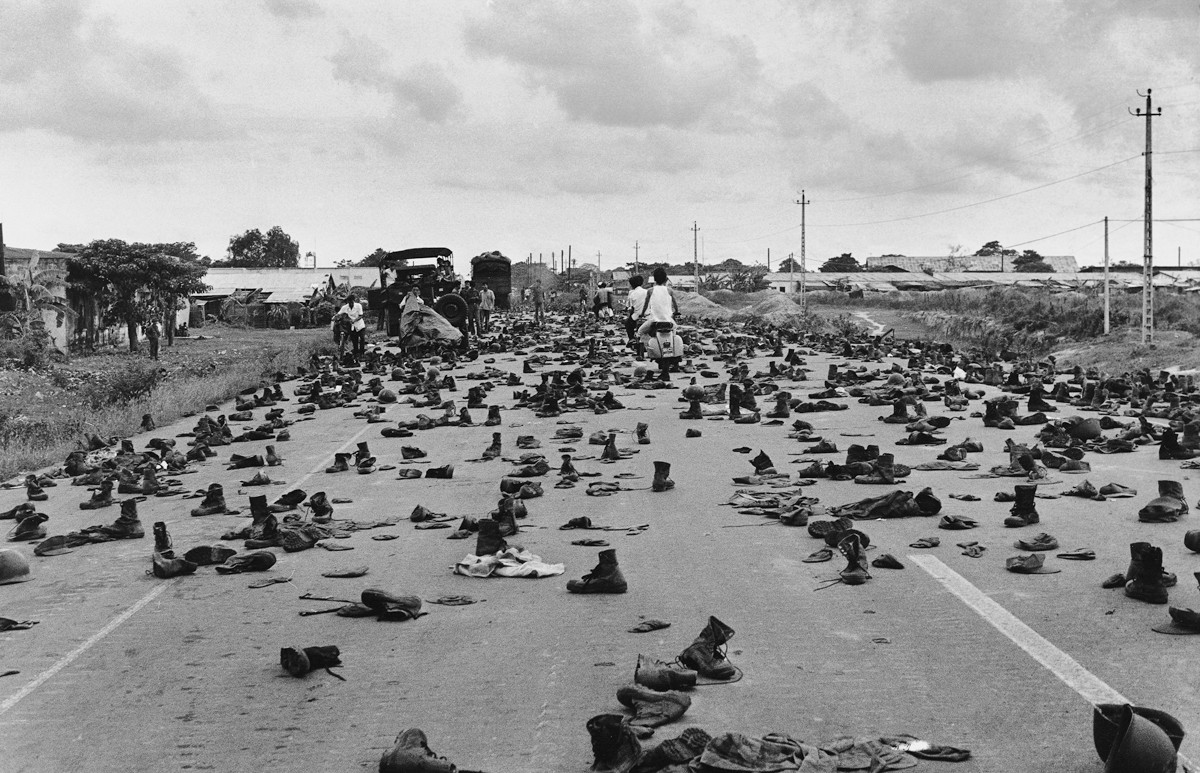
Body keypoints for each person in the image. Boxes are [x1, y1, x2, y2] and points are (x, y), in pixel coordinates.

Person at [637, 267, 680, 381]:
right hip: (669, 321)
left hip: (655, 321)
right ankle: (675, 359)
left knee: (640, 332)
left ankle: (650, 350)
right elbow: (675, 305)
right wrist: (676, 312)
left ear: (654, 279)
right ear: (666, 279)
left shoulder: (650, 291)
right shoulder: (670, 290)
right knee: (674, 335)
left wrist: (641, 314)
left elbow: (646, 305)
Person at [624, 275, 647, 357]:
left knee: (627, 323)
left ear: (632, 284)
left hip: (637, 315)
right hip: (648, 315)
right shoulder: (647, 291)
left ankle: (631, 339)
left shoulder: (632, 293)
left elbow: (630, 308)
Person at [338, 293, 366, 358]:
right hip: (352, 326)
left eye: (351, 301)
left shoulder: (358, 306)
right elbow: (339, 313)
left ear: (353, 300)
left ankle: (362, 352)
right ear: (348, 302)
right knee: (354, 340)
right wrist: (335, 317)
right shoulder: (345, 307)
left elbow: (361, 315)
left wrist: (355, 320)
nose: (350, 303)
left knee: (362, 338)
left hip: (360, 325)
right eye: (349, 302)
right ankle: (356, 353)